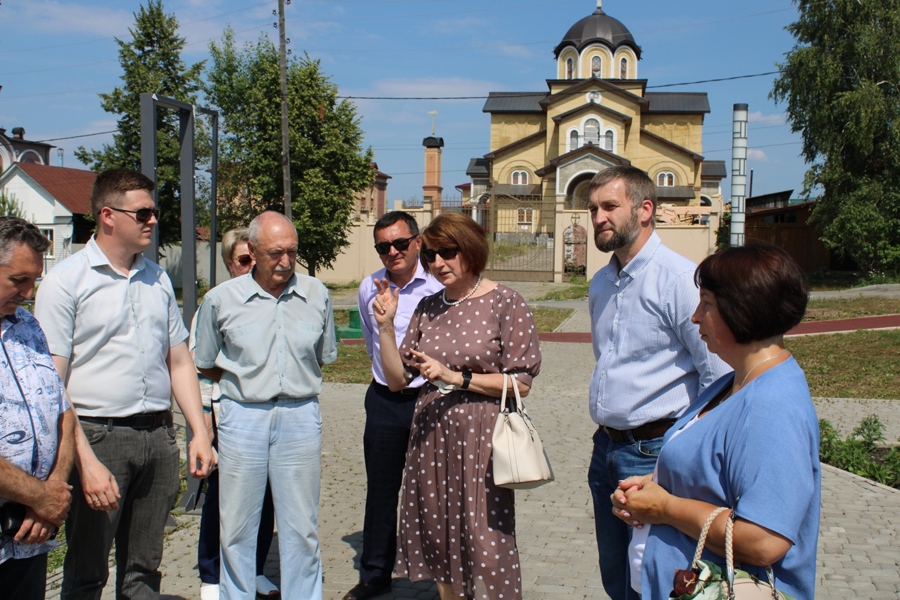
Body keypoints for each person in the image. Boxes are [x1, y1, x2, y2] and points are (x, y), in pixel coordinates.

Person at [34, 168, 214, 599]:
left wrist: (199, 432)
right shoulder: (65, 283)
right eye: (144, 212)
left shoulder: (156, 278)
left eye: (155, 212)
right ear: (107, 215)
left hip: (156, 436)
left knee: (144, 570)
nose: (153, 220)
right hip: (97, 436)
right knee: (86, 572)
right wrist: (85, 460)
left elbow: (179, 361)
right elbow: (52, 387)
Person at [612, 242, 820, 600]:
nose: (695, 317)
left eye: (706, 303)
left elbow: (764, 539)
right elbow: (719, 472)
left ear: (742, 309)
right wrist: (650, 486)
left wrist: (666, 508)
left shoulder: (772, 405)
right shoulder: (735, 381)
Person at [372, 212, 542, 600]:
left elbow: (521, 383)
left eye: (447, 252)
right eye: (430, 255)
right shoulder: (429, 307)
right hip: (431, 437)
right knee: (439, 533)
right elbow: (398, 379)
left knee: (486, 536)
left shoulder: (505, 302)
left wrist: (456, 378)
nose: (437, 263)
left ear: (470, 249)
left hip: (482, 436)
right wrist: (385, 326)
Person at [586, 165, 729, 600]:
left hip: (653, 453)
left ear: (645, 209)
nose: (598, 218)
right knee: (616, 577)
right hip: (606, 450)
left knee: (654, 578)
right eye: (593, 209)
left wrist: (678, 459)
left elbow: (718, 378)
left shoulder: (681, 280)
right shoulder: (600, 283)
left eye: (610, 206)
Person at [194, 211, 337, 600]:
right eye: (276, 252)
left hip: (300, 414)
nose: (286, 262)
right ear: (252, 251)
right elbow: (205, 360)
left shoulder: (316, 294)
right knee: (238, 524)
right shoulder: (220, 300)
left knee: (301, 526)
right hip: (243, 416)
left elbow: (323, 354)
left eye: (293, 252)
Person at [343, 211, 443, 600]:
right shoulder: (370, 286)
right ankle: (375, 573)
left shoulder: (438, 282)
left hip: (432, 398)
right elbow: (373, 341)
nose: (393, 252)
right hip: (385, 400)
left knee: (436, 489)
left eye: (400, 243)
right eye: (383, 246)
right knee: (382, 489)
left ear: (417, 241)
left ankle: (442, 576)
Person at [193, 228, 278, 600]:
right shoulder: (215, 303)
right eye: (244, 260)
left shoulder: (271, 302)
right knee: (223, 499)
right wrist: (207, 425)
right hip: (226, 415)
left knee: (266, 496)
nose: (251, 266)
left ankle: (254, 569)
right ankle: (212, 574)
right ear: (230, 265)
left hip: (269, 417)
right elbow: (200, 366)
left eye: (255, 259)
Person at [0, 218, 76, 600]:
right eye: (18, 280)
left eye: (34, 281)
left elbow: (62, 412)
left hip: (30, 532)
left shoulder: (27, 324)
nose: (29, 293)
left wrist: (53, 494)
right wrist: (40, 497)